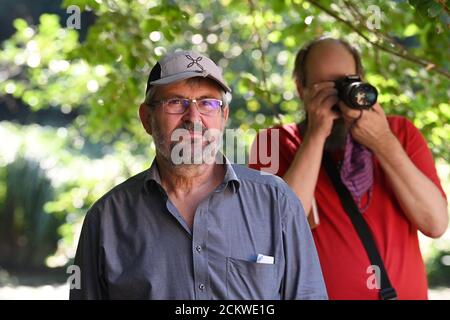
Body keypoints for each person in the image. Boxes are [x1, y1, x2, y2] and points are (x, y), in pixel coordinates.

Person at [69, 50, 327, 300]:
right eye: (175, 102)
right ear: (147, 118)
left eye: (208, 103)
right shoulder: (107, 219)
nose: (193, 118)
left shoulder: (276, 201)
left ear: (223, 116)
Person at [249, 37, 448, 300]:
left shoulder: (400, 133)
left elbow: (435, 224)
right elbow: (274, 233)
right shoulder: (273, 143)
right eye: (325, 86)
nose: (338, 95)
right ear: (302, 89)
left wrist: (383, 143)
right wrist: (316, 136)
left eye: (345, 82)